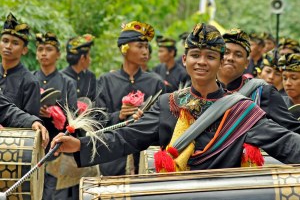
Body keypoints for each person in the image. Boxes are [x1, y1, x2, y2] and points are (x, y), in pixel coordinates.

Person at [52, 23, 300, 173]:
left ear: (219, 62)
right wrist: (80, 145)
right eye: (195, 55)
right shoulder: (167, 104)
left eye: (210, 56)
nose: (201, 62)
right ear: (185, 60)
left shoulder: (243, 111)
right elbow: (128, 137)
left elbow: (287, 144)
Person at [95, 21, 165, 176]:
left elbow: (165, 122)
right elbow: (97, 119)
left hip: (146, 160)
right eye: (139, 46)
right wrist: (119, 115)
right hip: (113, 158)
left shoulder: (155, 82)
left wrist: (146, 118)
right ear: (125, 49)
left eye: (146, 47)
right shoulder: (106, 80)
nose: (145, 51)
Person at [217, 28, 300, 133]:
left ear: (247, 63)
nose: (230, 58)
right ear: (217, 56)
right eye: (226, 52)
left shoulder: (263, 93)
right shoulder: (201, 91)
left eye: (238, 55)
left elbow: (292, 130)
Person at [32, 32, 78, 200]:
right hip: (33, 146)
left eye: (49, 49)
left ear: (58, 54)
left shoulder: (67, 82)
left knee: (54, 194)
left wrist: (54, 114)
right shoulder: (30, 80)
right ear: (36, 54)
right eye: (40, 49)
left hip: (58, 147)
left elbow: (73, 116)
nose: (44, 53)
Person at [0, 13, 40, 116]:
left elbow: (30, 123)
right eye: (5, 41)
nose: (8, 46)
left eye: (15, 43)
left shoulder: (30, 82)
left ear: (24, 50)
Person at [61, 34, 96, 102]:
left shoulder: (90, 77)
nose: (90, 60)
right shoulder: (61, 77)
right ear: (82, 58)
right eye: (89, 55)